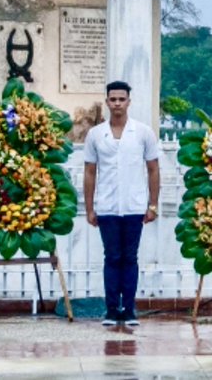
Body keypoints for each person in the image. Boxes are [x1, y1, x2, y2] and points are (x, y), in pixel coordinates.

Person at [83, 80, 161, 326]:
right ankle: (110, 310)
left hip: (134, 206)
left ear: (129, 101)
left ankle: (128, 310)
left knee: (130, 257)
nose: (117, 103)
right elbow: (89, 172)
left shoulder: (142, 132)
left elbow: (153, 169)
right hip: (107, 206)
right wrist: (89, 208)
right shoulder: (96, 134)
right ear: (106, 102)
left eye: (121, 99)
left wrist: (153, 205)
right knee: (111, 257)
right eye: (113, 99)